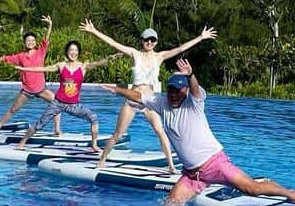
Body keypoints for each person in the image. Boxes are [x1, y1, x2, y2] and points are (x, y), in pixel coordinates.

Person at [107, 58, 295, 206]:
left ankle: (293, 194)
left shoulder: (194, 103)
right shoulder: (161, 103)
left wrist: (191, 75)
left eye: (179, 91)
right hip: (192, 175)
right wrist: (117, 89)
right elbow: (137, 96)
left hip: (215, 163)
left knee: (252, 188)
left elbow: (196, 89)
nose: (174, 95)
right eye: (171, 90)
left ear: (185, 91)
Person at [79, 19, 217, 172]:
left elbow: (180, 48)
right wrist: (93, 31)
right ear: (142, 41)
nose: (149, 42)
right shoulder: (134, 53)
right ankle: (102, 159)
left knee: (160, 131)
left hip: (150, 102)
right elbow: (112, 42)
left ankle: (171, 166)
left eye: (153, 40)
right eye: (147, 39)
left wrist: (201, 37)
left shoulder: (159, 57)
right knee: (118, 134)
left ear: (156, 42)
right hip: (133, 101)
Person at [11, 39, 117, 150]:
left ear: (78, 53)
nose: (73, 53)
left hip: (74, 105)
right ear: (67, 52)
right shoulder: (61, 66)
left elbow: (97, 64)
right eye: (71, 50)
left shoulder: (83, 66)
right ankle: (22, 143)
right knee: (40, 124)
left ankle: (94, 145)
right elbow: (42, 68)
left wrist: (109, 59)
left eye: (76, 50)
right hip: (58, 103)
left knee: (93, 118)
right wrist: (24, 69)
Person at [0, 15, 57, 133]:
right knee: (13, 109)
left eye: (32, 41)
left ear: (35, 42)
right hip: (27, 90)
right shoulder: (20, 56)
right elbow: (4, 58)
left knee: (56, 103)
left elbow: (47, 38)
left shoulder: (40, 52)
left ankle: (57, 129)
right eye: (28, 41)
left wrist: (50, 25)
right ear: (24, 43)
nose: (30, 42)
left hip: (41, 89)